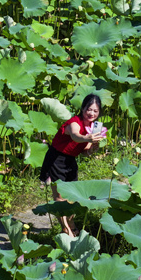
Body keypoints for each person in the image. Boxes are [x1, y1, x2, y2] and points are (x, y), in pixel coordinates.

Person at [39, 94, 106, 236]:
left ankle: (71, 223)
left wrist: (93, 148)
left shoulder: (93, 128)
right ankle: (66, 229)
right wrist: (87, 138)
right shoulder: (74, 122)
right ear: (82, 109)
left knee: (72, 196)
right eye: (89, 109)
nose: (92, 113)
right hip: (56, 158)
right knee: (59, 196)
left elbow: (84, 152)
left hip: (70, 161)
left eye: (95, 111)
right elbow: (76, 136)